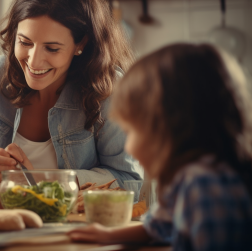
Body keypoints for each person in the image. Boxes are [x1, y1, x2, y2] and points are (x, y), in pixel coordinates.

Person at [0, 0, 143, 187]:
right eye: (25, 42)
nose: (33, 61)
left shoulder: (109, 88)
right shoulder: (0, 73)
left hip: (78, 221)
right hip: (4, 216)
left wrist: (42, 180)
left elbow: (128, 180)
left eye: (52, 48)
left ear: (80, 44)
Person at [67, 43, 252, 250]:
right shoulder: (190, 178)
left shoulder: (204, 186)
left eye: (131, 132)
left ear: (171, 127)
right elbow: (162, 225)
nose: (128, 148)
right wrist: (108, 235)